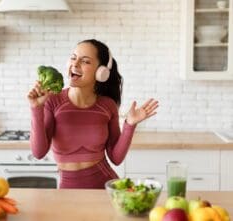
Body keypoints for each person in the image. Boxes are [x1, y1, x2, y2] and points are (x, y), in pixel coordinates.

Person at [27, 39, 158, 189]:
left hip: (106, 189)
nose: (75, 64)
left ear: (101, 72)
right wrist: (36, 108)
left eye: (85, 61)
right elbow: (38, 153)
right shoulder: (52, 101)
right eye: (73, 57)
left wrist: (130, 124)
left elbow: (116, 158)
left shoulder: (107, 106)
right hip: (68, 191)